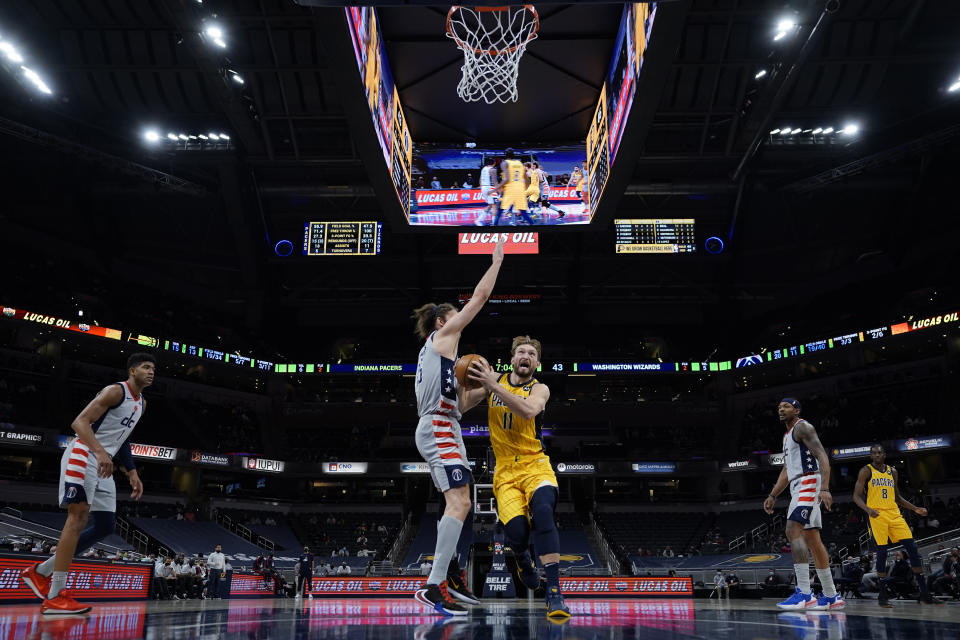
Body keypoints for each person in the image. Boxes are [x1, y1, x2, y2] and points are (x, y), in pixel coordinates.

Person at [410, 236, 505, 616]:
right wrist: (497, 262)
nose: (461, 323)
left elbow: (462, 405)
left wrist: (489, 384)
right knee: (461, 500)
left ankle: (446, 575)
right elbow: (479, 300)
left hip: (446, 424)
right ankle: (434, 585)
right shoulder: (441, 338)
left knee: (458, 502)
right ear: (441, 321)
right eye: (456, 317)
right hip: (437, 427)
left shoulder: (446, 360)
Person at [20, 354, 155, 615]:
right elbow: (79, 422)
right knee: (78, 517)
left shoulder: (142, 404)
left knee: (106, 525)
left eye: (153, 369)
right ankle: (55, 595)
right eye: (146, 367)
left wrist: (132, 471)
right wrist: (101, 452)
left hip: (103, 463)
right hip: (84, 453)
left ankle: (40, 572)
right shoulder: (116, 391)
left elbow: (122, 439)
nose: (151, 372)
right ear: (132, 370)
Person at [463, 335, 570, 618]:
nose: (525, 355)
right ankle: (522, 558)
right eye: (520, 351)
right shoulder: (493, 382)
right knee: (518, 534)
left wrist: (492, 385)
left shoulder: (540, 389)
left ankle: (555, 593)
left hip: (536, 464)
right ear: (511, 359)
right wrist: (459, 379)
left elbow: (528, 410)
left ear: (536, 363)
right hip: (506, 470)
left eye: (531, 353)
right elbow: (461, 407)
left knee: (545, 512)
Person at [763, 398, 844, 610]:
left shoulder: (803, 427)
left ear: (796, 410)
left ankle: (804, 594)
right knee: (813, 540)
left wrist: (825, 488)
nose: (781, 409)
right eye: (779, 406)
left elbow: (822, 455)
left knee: (792, 529)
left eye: (786, 406)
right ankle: (831, 595)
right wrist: (773, 494)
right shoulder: (787, 435)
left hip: (808, 480)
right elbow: (787, 470)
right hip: (798, 483)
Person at [852, 444, 941, 606]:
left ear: (884, 454)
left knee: (913, 549)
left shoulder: (893, 472)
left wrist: (915, 509)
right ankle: (882, 596)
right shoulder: (866, 471)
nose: (877, 455)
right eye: (874, 453)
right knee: (882, 552)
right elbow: (856, 497)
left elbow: (898, 498)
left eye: (880, 452)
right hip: (877, 515)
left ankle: (924, 594)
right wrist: (868, 509)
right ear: (871, 456)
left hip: (894, 514)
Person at [493, 149, 535, 226]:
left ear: (505, 155)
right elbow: (526, 179)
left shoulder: (505, 163)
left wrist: (495, 189)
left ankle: (494, 227)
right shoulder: (520, 163)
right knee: (524, 213)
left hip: (510, 189)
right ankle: (534, 227)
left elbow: (506, 179)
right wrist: (528, 191)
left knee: (500, 210)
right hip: (520, 189)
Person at [475, 156, 500, 226]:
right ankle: (494, 223)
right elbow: (495, 182)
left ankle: (480, 218)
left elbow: (480, 180)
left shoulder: (483, 169)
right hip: (490, 188)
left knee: (490, 205)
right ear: (494, 163)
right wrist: (499, 190)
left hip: (483, 187)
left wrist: (481, 187)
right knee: (495, 205)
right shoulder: (492, 169)